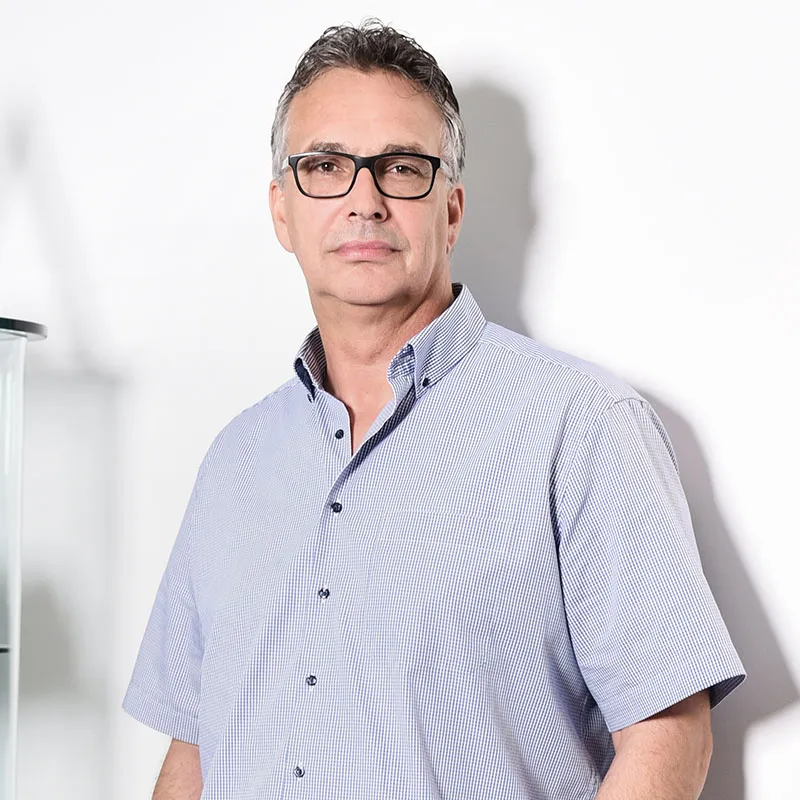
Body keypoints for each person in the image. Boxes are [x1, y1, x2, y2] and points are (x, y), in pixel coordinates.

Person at [122, 18, 746, 800]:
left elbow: (667, 734)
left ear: (450, 209)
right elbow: (192, 752)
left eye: (400, 168)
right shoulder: (233, 462)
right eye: (325, 166)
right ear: (283, 211)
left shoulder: (582, 427)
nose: (364, 201)